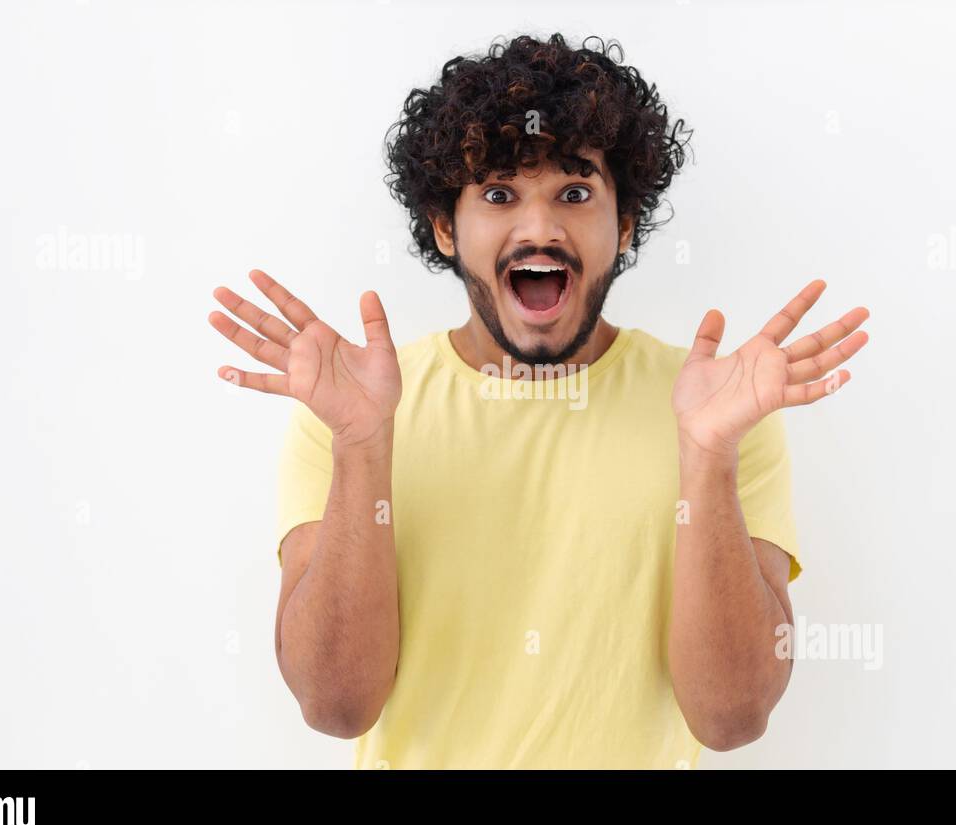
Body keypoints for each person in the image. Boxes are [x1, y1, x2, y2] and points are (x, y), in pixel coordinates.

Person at [207, 33, 869, 768]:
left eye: (576, 193)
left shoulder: (721, 414)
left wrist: (708, 458)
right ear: (444, 227)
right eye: (497, 195)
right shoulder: (349, 414)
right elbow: (334, 707)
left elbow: (732, 718)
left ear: (623, 227)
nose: (540, 227)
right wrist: (363, 446)